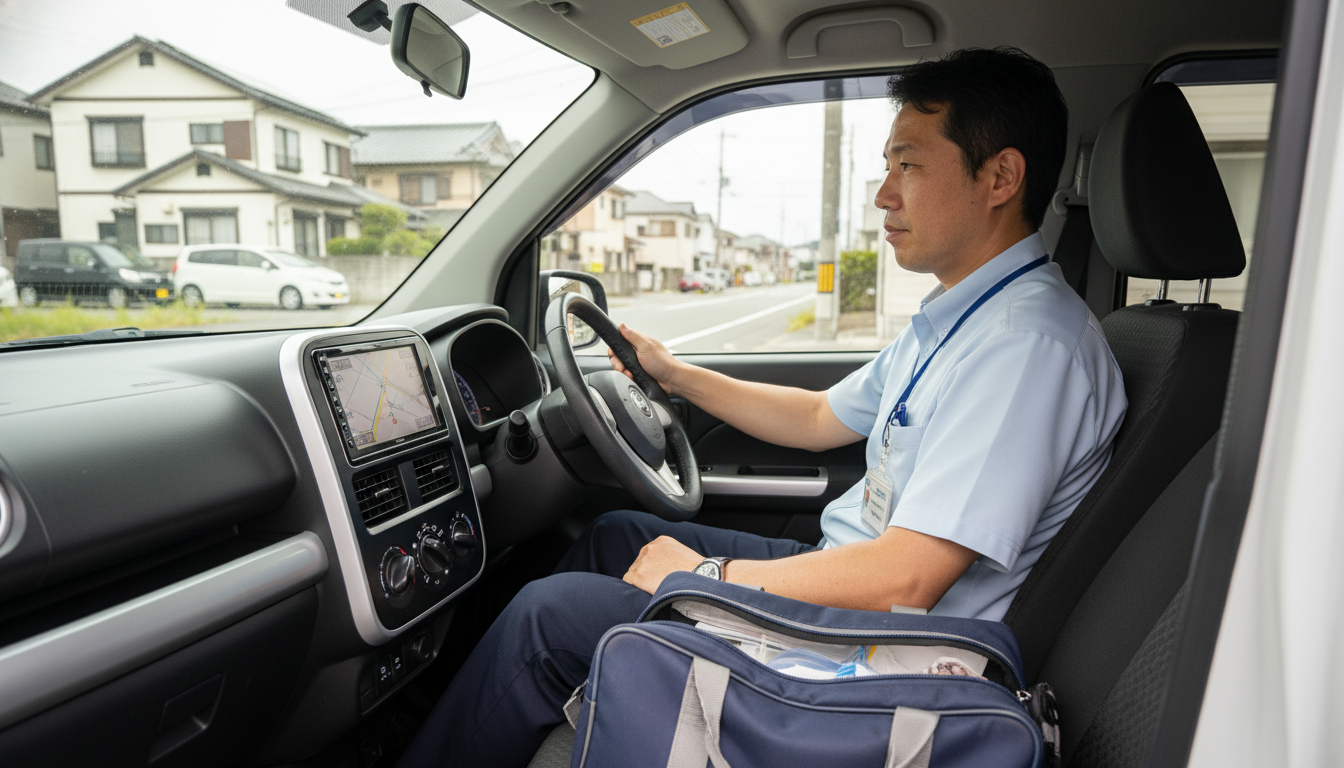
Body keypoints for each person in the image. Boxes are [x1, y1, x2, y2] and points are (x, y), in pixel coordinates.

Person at [397, 47, 1127, 768]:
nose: (883, 193)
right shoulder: (963, 316)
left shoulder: (1027, 346)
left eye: (908, 164)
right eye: (887, 166)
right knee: (617, 534)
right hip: (853, 590)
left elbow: (907, 578)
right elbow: (817, 418)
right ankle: (496, 707)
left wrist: (703, 581)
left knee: (544, 619)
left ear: (1000, 176)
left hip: (882, 650)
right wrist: (673, 375)